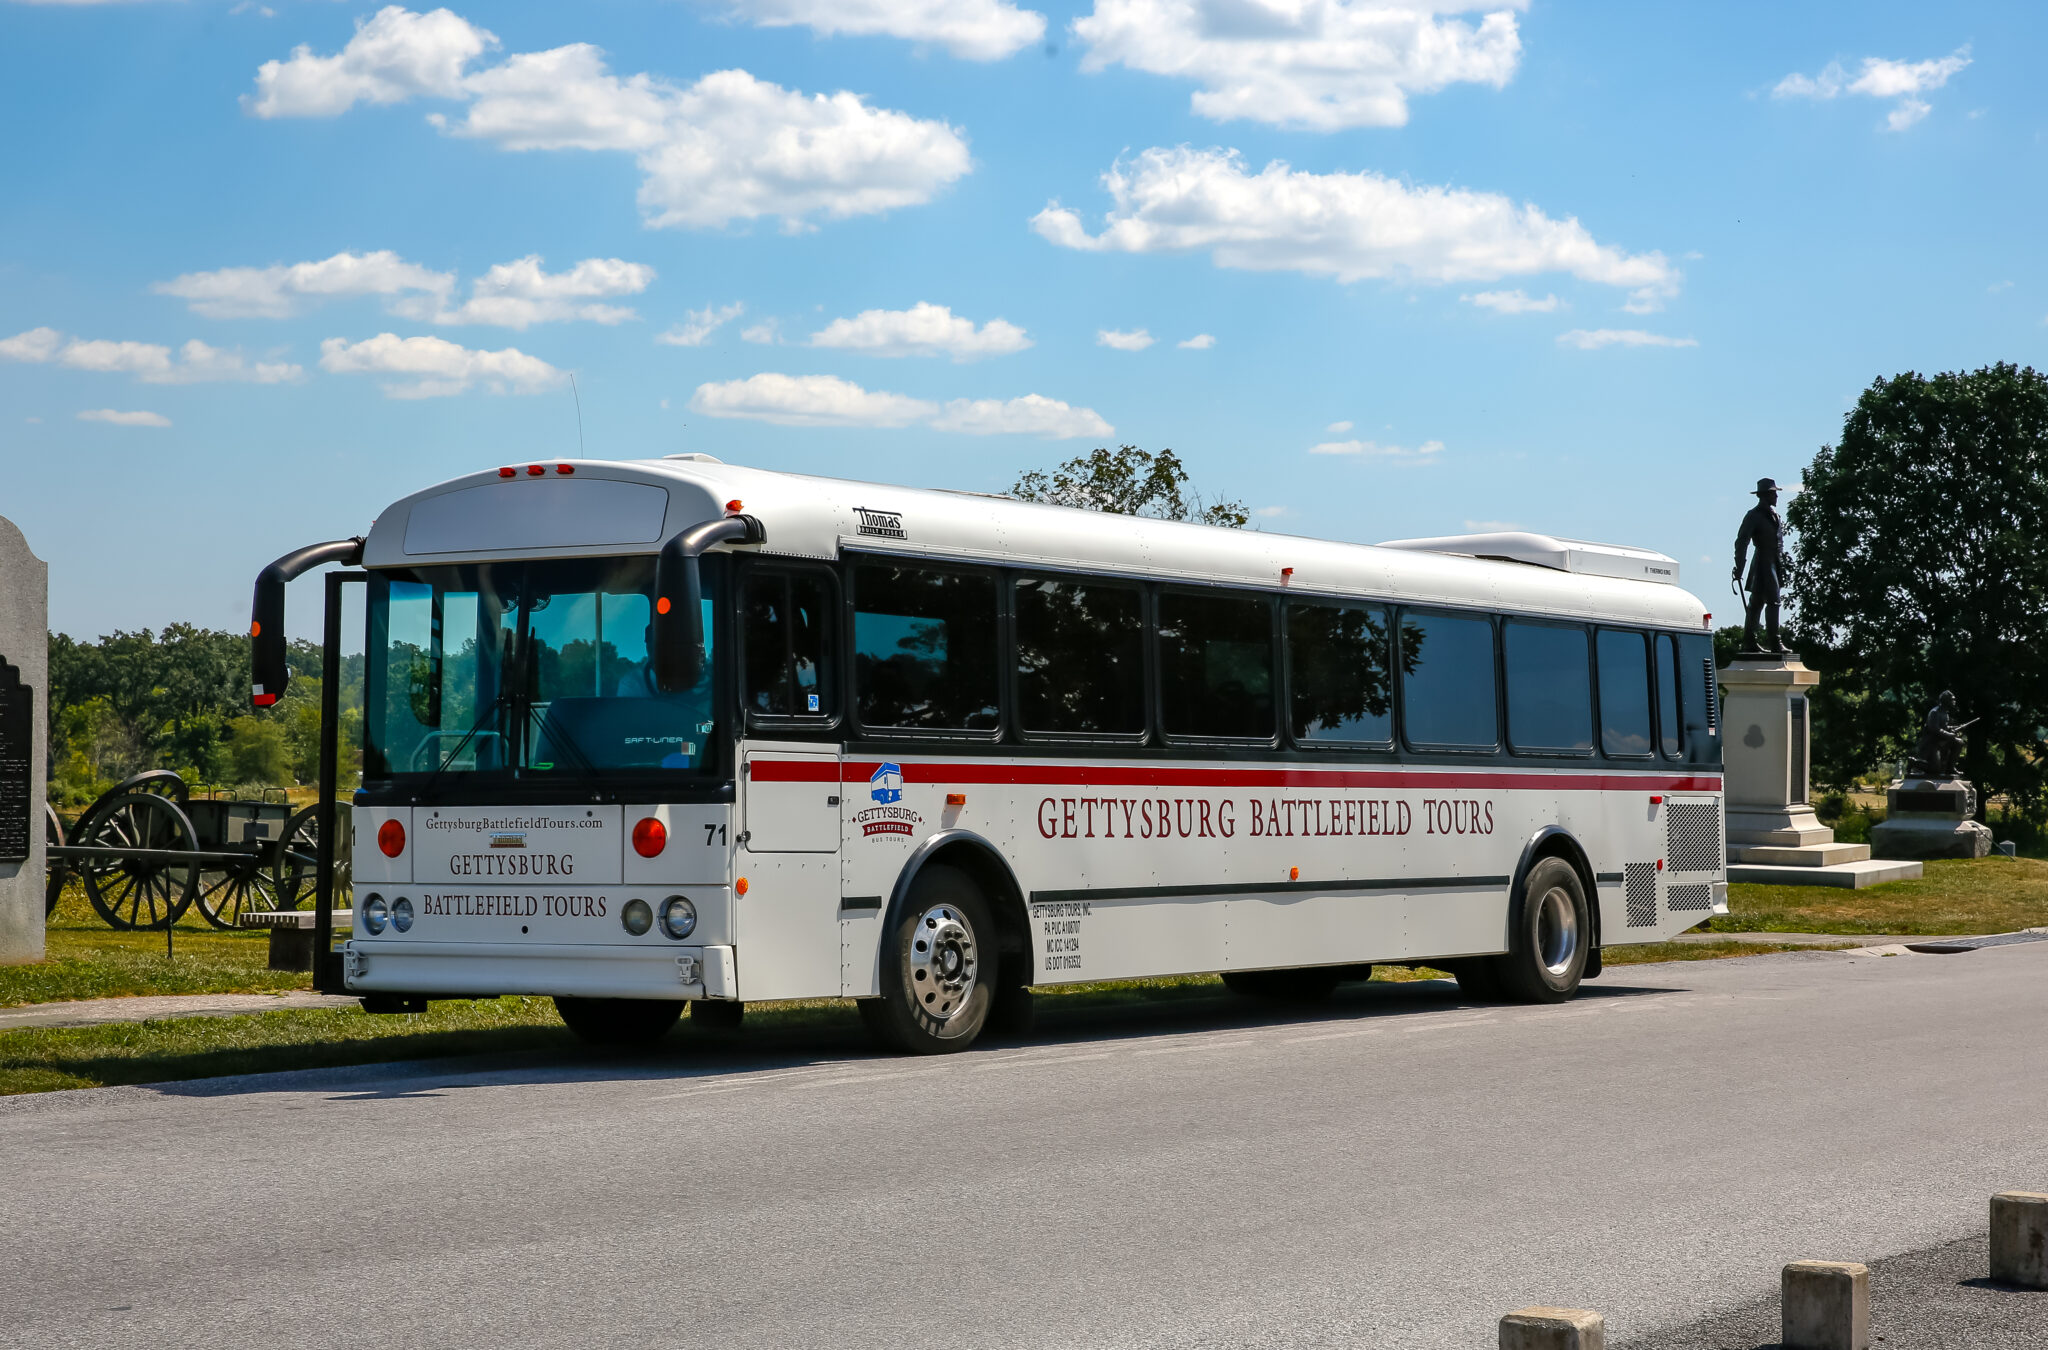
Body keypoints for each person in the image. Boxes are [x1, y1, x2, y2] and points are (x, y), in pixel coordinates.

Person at [1733, 477, 1791, 655]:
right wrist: (1740, 567)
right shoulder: (1754, 515)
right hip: (1763, 563)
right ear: (1766, 495)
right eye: (1774, 493)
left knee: (1756, 602)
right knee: (1773, 602)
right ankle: (1775, 642)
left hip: (1774, 561)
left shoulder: (1775, 515)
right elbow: (1742, 541)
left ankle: (1749, 641)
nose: (1777, 497)